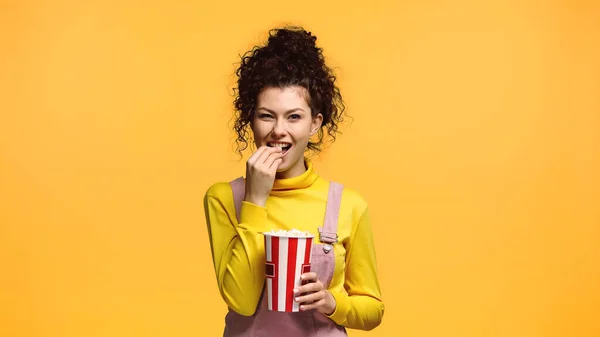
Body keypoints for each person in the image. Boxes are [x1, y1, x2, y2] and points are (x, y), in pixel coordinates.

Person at [203, 26, 384, 336]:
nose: (278, 130)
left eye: (294, 117)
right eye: (266, 115)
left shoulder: (348, 204)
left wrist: (331, 302)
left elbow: (372, 310)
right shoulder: (224, 197)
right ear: (251, 120)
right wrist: (256, 200)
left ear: (315, 123)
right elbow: (241, 302)